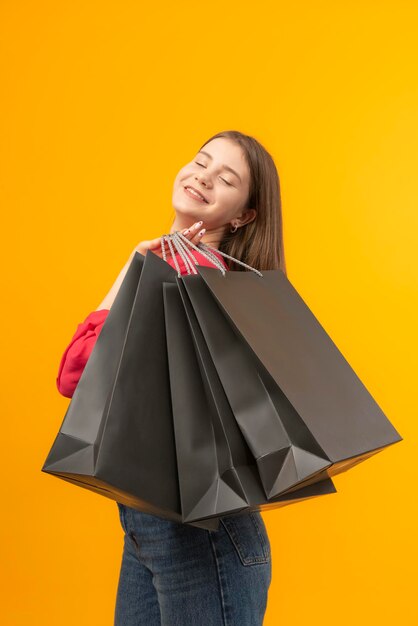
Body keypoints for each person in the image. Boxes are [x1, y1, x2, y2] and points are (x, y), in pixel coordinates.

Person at [56, 130, 286, 626]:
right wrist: (139, 261)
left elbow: (79, 373)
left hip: (201, 533)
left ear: (243, 215)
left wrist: (138, 266)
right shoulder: (166, 264)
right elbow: (79, 371)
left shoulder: (201, 282)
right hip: (154, 525)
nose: (203, 175)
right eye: (201, 161)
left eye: (225, 178)